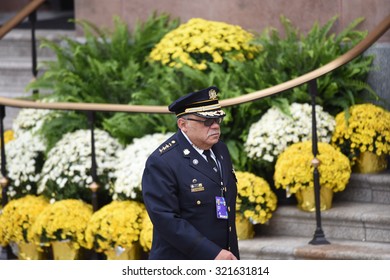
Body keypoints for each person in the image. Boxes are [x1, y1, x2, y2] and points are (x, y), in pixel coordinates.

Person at [141, 86, 240, 260]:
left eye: (218, 119)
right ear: (183, 124)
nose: (215, 126)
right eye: (207, 121)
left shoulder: (220, 149)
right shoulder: (162, 161)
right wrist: (212, 253)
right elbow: (167, 221)